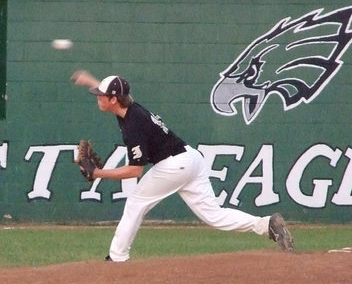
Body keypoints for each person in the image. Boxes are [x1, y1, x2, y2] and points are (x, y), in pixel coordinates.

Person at [70, 70, 294, 261]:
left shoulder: (133, 125)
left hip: (173, 165)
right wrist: (91, 81)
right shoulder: (130, 107)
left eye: (101, 95)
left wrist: (98, 173)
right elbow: (117, 93)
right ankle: (267, 225)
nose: (98, 98)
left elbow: (135, 170)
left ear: (113, 100)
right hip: (191, 159)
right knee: (214, 215)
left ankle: (117, 258)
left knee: (136, 202)